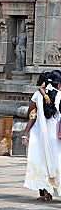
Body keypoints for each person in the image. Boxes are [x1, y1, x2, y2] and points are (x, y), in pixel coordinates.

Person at [22, 70, 61, 201]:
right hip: (55, 135)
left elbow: (30, 113)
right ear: (59, 83)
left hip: (39, 135)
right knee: (56, 160)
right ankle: (53, 190)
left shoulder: (37, 95)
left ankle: (45, 193)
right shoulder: (60, 96)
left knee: (41, 160)